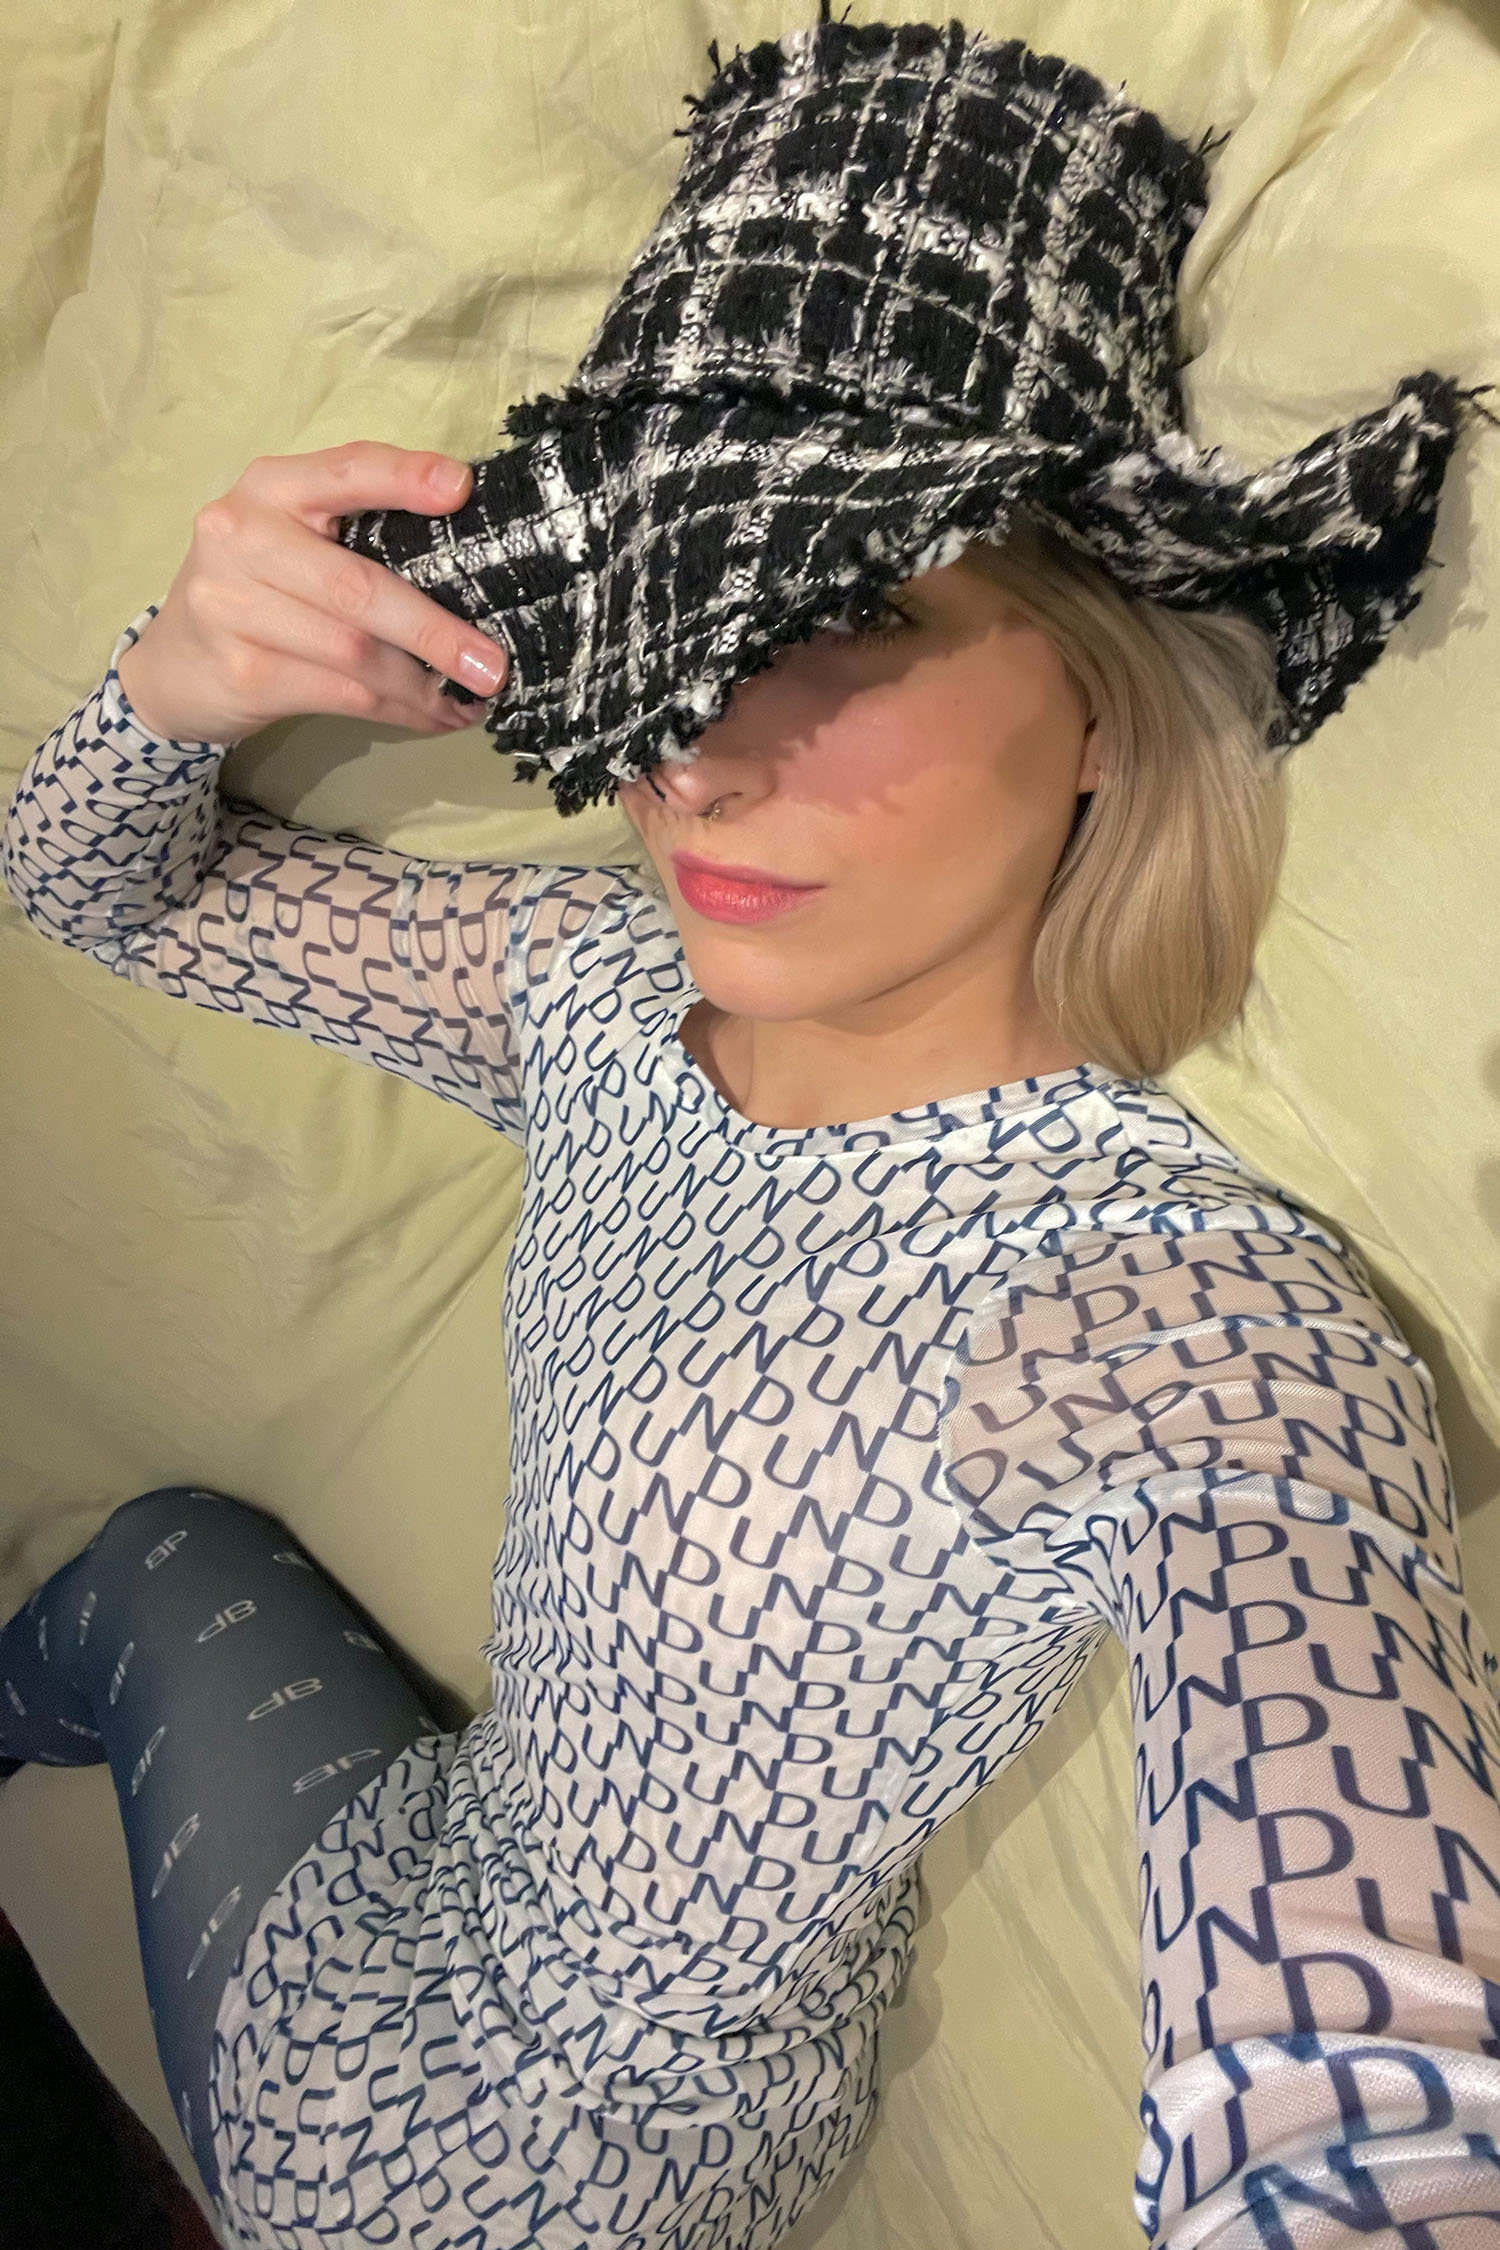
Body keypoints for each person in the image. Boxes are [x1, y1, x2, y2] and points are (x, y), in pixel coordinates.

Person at [5, 16, 1500, 2250]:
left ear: (1105, 693)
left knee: (147, 1566)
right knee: (162, 1539)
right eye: (665, 616)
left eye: (847, 612)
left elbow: (1356, 2059)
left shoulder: (1164, 1309)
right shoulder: (601, 992)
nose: (695, 746)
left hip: (467, 2175)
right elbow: (97, 886)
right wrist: (177, 680)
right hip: (463, 1872)